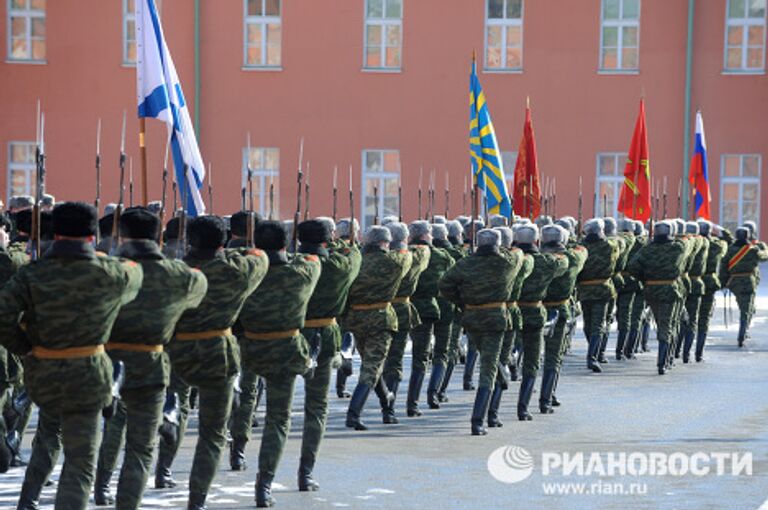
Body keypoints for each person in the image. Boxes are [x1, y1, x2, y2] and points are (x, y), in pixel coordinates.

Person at [0, 202, 143, 510]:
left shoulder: (32, 274)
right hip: (89, 374)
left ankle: (27, 500)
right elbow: (136, 274)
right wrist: (109, 254)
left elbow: (2, 315)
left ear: (56, 233)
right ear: (92, 235)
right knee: (80, 463)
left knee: (47, 437)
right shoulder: (111, 273)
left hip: (45, 370)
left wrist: (25, 346)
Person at [94, 207, 208, 509]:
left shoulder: (107, 270)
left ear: (121, 234)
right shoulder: (182, 276)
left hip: (110, 363)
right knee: (141, 448)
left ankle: (101, 485)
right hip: (152, 364)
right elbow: (197, 297)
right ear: (159, 236)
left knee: (112, 431)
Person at [166, 215, 269, 510]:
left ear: (189, 240)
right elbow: (259, 255)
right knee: (212, 434)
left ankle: (163, 465)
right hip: (217, 349)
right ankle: (196, 500)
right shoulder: (238, 270)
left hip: (177, 348)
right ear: (223, 242)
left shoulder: (176, 270)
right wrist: (236, 248)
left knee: (179, 405)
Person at [236, 220, 321, 507]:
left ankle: (237, 449)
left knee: (246, 397)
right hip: (285, 350)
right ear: (287, 245)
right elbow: (312, 257)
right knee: (278, 419)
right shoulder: (303, 271)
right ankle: (265, 484)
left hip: (249, 347)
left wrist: (252, 253)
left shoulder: (246, 273)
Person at [296, 218, 361, 492]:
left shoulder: (293, 265)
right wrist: (338, 239)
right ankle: (306, 473)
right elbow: (354, 253)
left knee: (279, 411)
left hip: (289, 335)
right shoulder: (340, 265)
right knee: (316, 408)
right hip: (323, 336)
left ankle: (251, 465)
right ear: (328, 239)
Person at [439, 229, 523, 435]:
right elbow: (519, 254)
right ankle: (478, 421)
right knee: (488, 369)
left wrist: (463, 302)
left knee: (489, 361)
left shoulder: (465, 264)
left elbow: (444, 284)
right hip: (495, 319)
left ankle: (495, 402)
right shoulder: (508, 262)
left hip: (472, 318)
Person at [344, 226, 412, 431]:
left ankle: (387, 403)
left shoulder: (355, 262)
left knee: (372, 365)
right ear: (385, 243)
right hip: (381, 319)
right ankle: (353, 413)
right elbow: (407, 254)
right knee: (372, 368)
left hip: (357, 319)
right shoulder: (394, 262)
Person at [627, 221, 691, 374]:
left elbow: (632, 266)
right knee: (669, 324)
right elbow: (688, 246)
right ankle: (664, 362)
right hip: (671, 290)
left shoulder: (646, 250)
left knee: (661, 323)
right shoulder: (678, 247)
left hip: (652, 290)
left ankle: (665, 360)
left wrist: (645, 278)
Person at [380, 222, 428, 422]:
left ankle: (387, 406)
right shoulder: (416, 256)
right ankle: (402, 406)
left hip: (380, 309)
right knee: (396, 361)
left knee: (382, 360)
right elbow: (423, 248)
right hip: (401, 309)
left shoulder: (379, 259)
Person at [540, 224, 587, 413]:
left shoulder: (535, 260)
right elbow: (583, 249)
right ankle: (547, 398)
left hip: (534, 309)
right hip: (560, 309)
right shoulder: (573, 258)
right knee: (553, 356)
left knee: (531, 358)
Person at [577, 219, 620, 373]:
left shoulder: (581, 248)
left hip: (585, 290)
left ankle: (592, 352)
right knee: (597, 325)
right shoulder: (610, 246)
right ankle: (593, 356)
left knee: (588, 325)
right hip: (603, 289)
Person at [719, 226, 768, 347]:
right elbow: (764, 257)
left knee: (744, 307)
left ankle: (743, 330)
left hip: (734, 281)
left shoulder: (730, 250)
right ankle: (742, 332)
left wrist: (723, 283)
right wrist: (763, 247)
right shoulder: (752, 250)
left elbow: (723, 268)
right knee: (746, 309)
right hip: (748, 282)